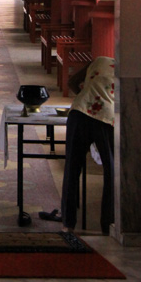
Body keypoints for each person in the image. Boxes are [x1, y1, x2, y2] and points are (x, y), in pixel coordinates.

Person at [61, 56, 115, 235]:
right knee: (111, 173)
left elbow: (73, 81)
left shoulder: (100, 61)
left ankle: (68, 224)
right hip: (106, 118)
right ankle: (108, 225)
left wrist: (87, 98)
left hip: (79, 112)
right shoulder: (130, 71)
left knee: (72, 169)